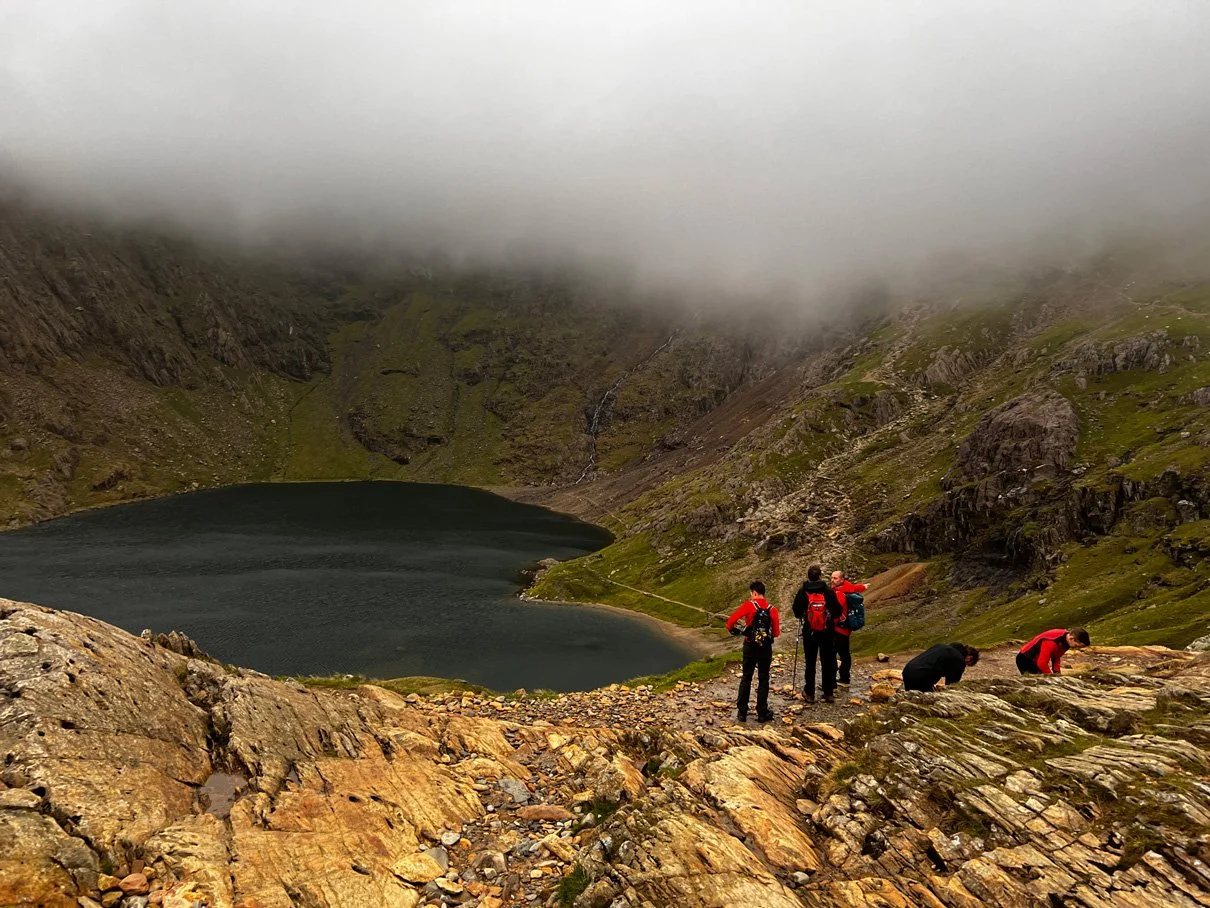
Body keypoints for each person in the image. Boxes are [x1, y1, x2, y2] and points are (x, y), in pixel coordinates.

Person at [726, 581, 780, 722]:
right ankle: (762, 712)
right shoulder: (772, 610)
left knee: (746, 677)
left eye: (751, 594)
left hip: (750, 646)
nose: (751, 596)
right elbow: (776, 633)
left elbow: (730, 621)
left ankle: (742, 712)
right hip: (765, 649)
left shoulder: (749, 606)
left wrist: (737, 631)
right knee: (763, 679)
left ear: (754, 593)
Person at [791, 565, 843, 703]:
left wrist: (805, 615)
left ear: (808, 576)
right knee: (827, 661)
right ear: (820, 576)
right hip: (827, 631)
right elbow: (838, 610)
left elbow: (796, 611)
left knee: (810, 662)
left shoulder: (803, 591)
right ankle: (828, 692)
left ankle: (809, 693)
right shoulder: (828, 591)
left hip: (809, 631)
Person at [830, 570, 868, 689]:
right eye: (832, 577)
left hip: (838, 629)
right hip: (846, 629)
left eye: (835, 578)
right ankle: (844, 678)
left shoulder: (840, 594)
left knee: (832, 655)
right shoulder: (848, 588)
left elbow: (836, 613)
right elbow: (855, 587)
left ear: (841, 580)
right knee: (845, 654)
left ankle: (833, 681)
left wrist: (829, 624)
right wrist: (864, 587)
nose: (832, 580)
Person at [902, 643, 980, 692]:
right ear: (970, 657)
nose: (965, 665)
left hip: (907, 671)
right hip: (921, 677)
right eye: (968, 663)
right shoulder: (959, 659)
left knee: (911, 697)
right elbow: (952, 685)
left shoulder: (941, 646)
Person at [1017, 627, 1090, 675]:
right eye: (1076, 645)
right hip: (1025, 659)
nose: (1075, 648)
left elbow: (1056, 657)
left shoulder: (1066, 642)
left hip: (1036, 660)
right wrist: (1051, 676)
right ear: (1071, 638)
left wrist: (1057, 673)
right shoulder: (1052, 642)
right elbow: (1042, 663)